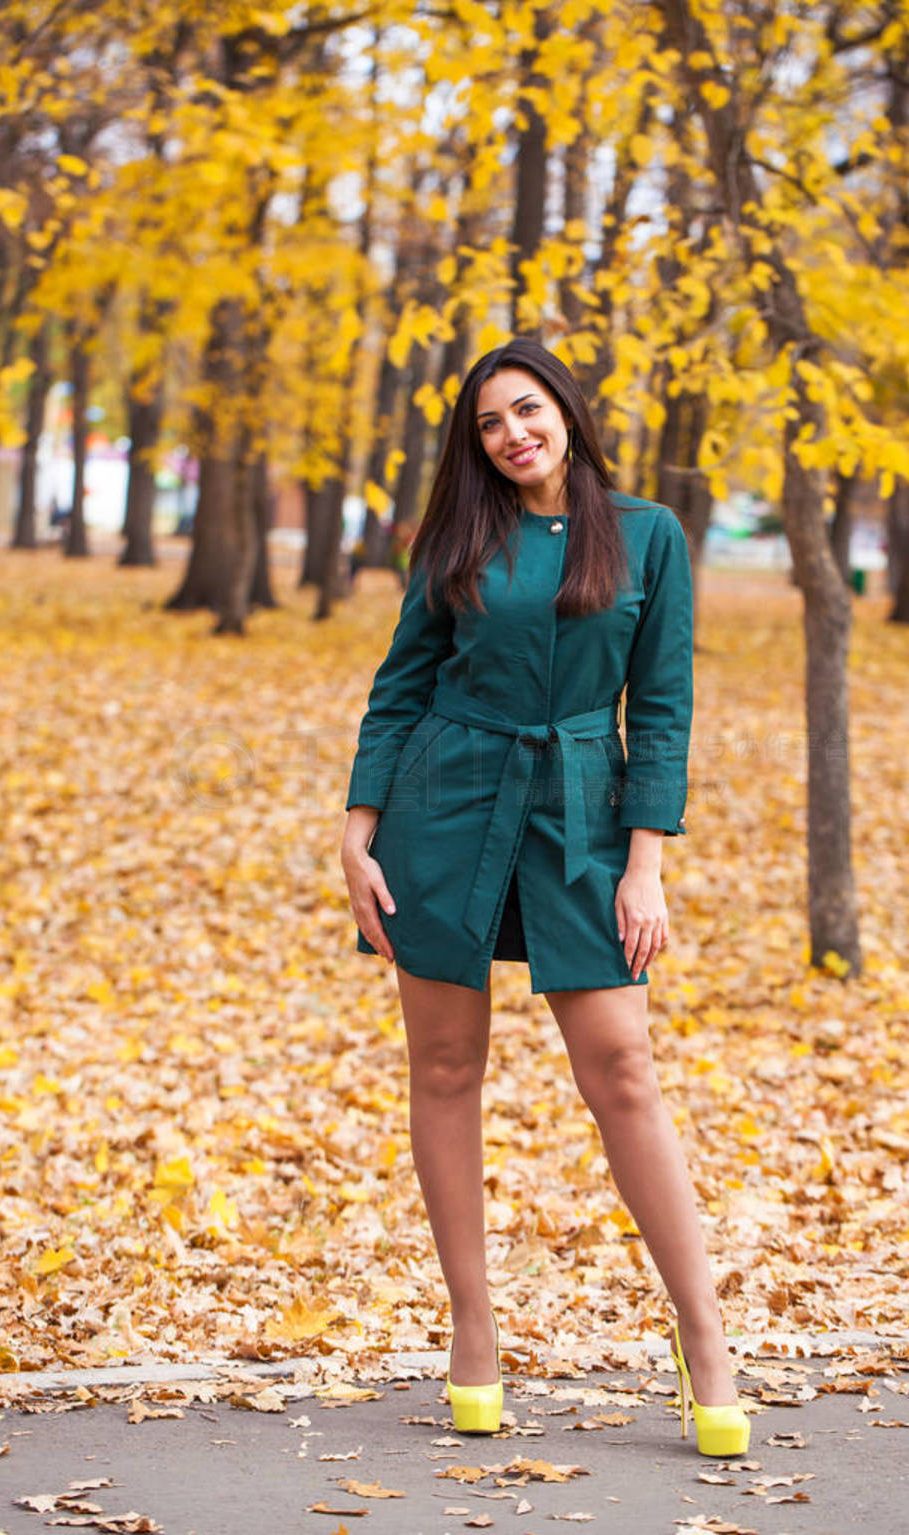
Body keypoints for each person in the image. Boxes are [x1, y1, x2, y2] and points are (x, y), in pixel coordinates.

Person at [341, 338, 750, 1455]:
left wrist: (645, 862)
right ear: (474, 444)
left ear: (565, 409)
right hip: (446, 804)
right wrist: (358, 829)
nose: (513, 433)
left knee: (621, 1063)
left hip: (581, 815)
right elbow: (399, 687)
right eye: (490, 424)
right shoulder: (457, 537)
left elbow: (661, 708)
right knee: (444, 1065)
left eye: (528, 410)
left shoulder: (649, 535)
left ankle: (702, 1329)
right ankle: (473, 1330)